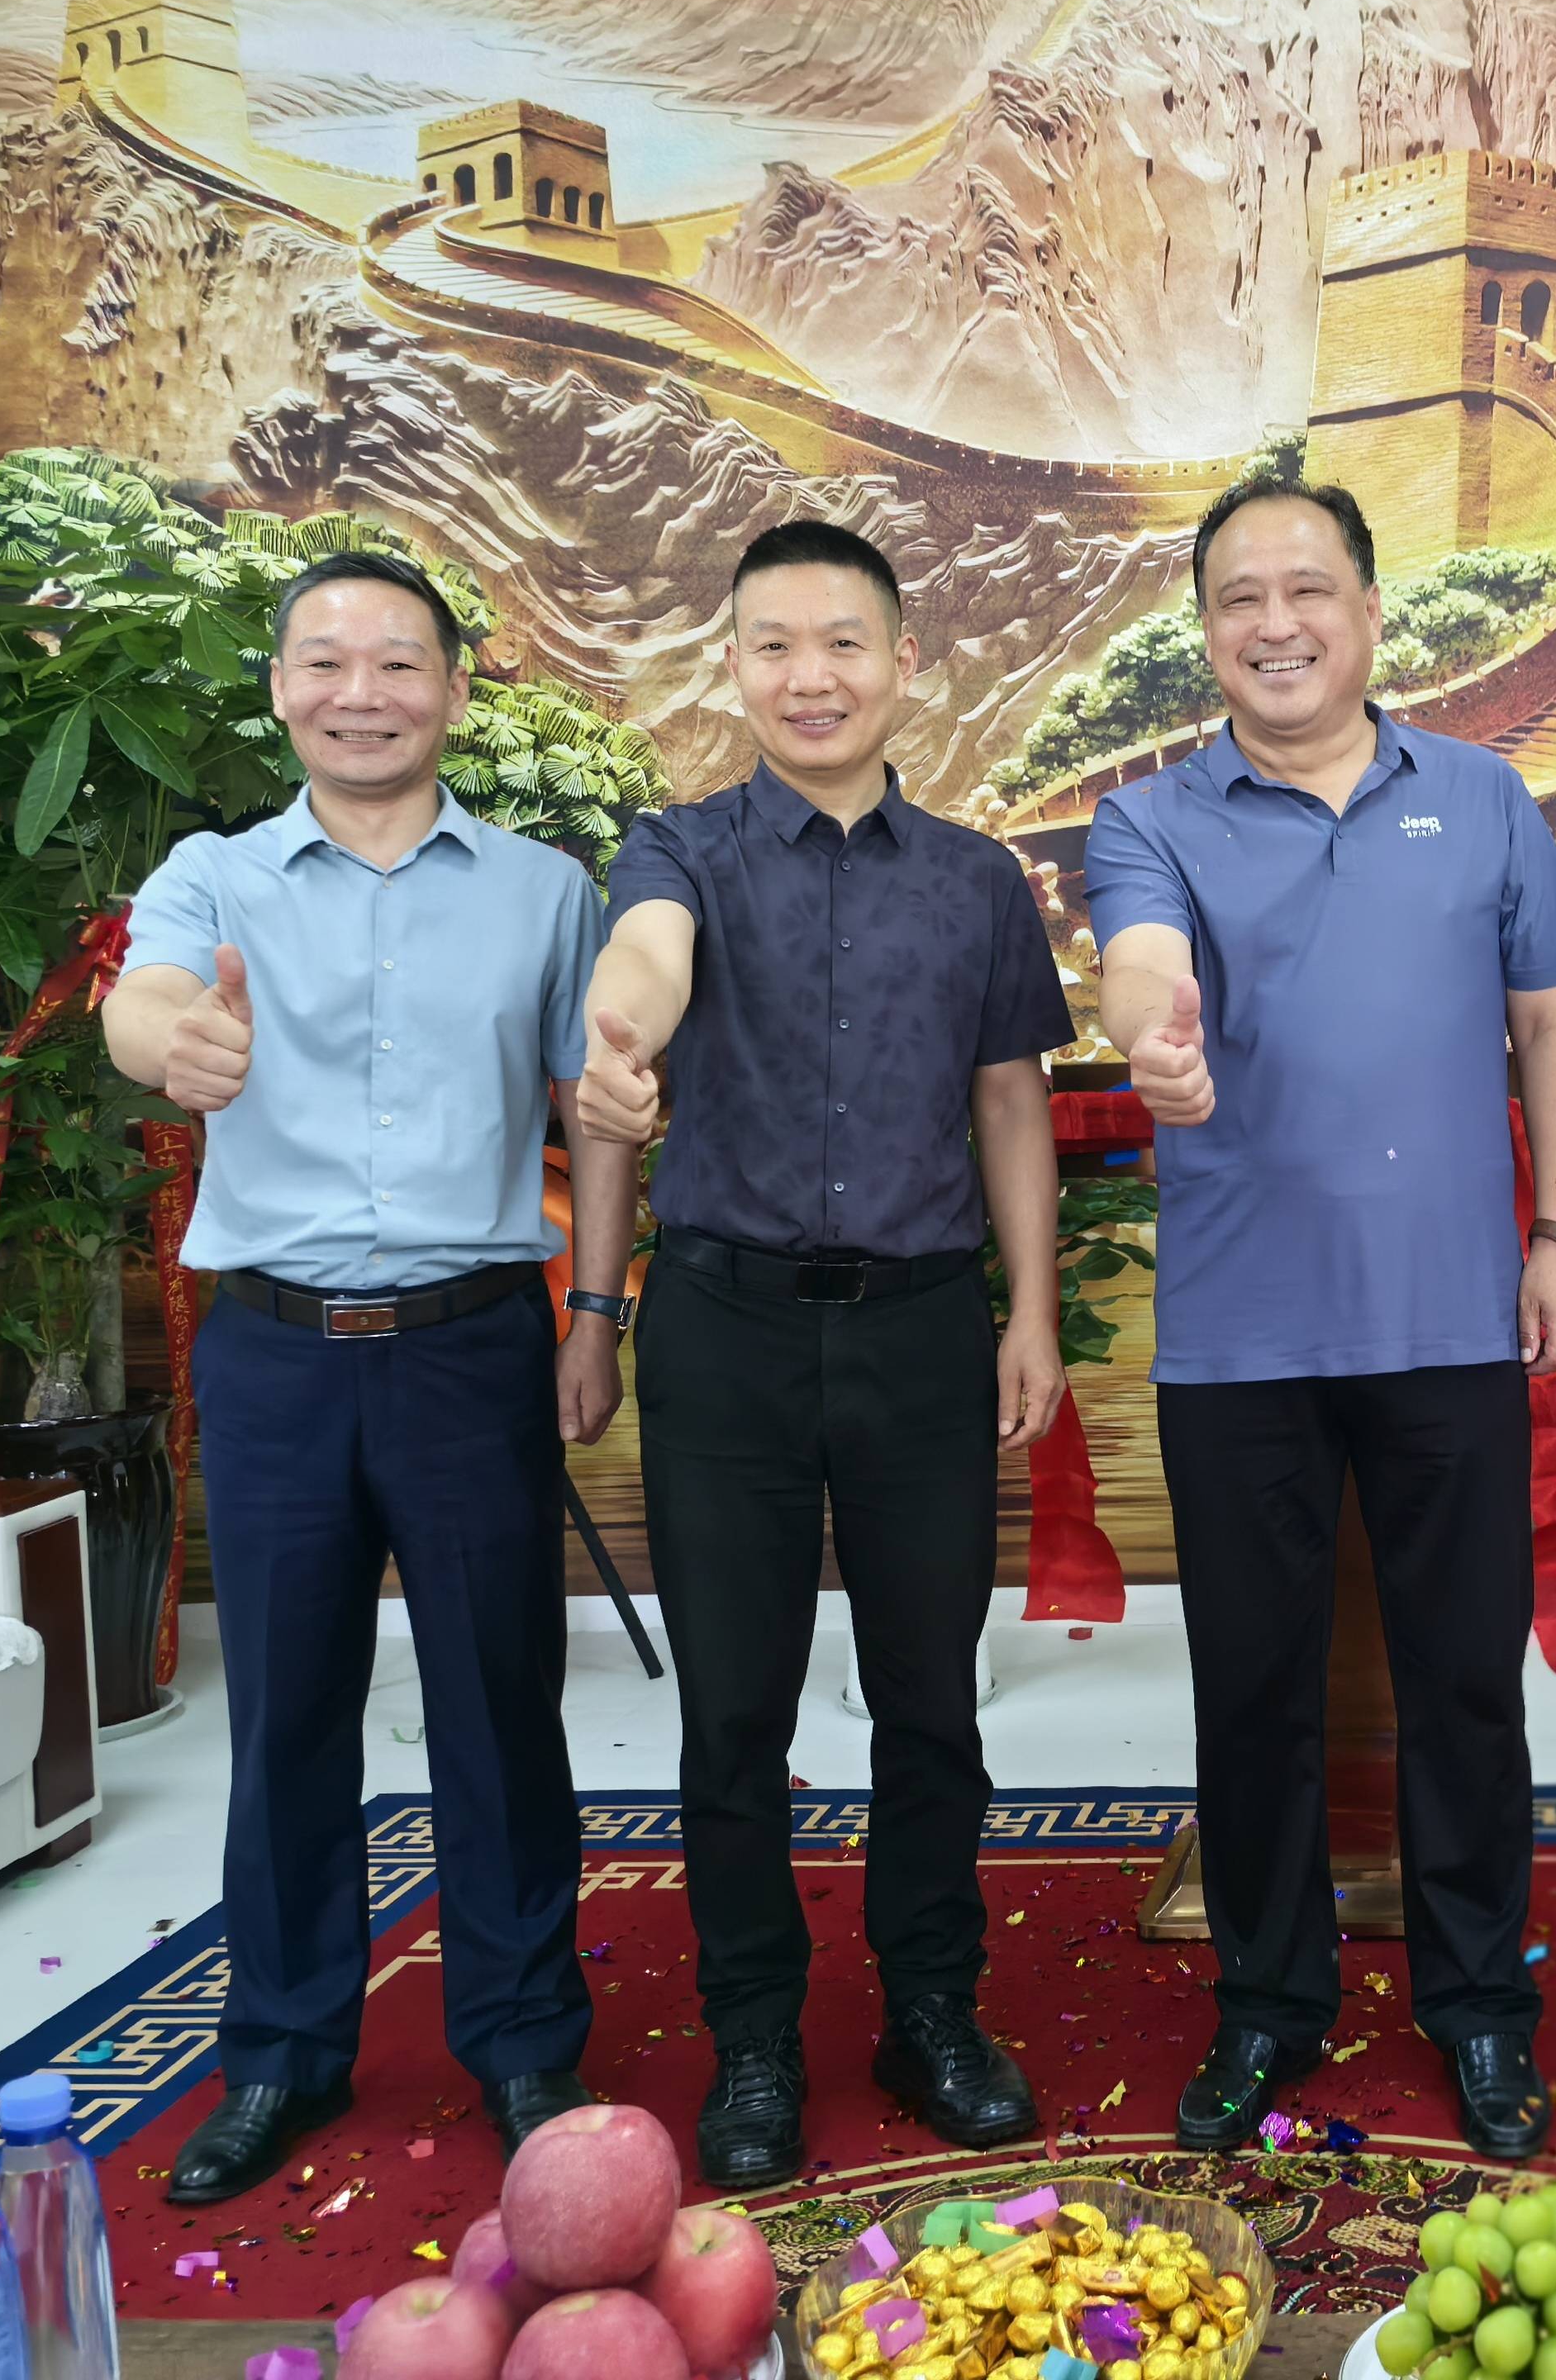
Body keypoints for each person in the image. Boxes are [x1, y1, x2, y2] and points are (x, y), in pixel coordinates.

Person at [1085, 474, 1556, 2160]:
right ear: (1204, 630)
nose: (1276, 623)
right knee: (1252, 1692)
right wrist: (1155, 1035)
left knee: (1466, 1687)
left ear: (1370, 613)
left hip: (1451, 1320)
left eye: (1307, 589)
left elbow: (1551, 1027)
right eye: (1238, 597)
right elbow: (1140, 960)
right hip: (1240, 1338)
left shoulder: (1483, 797)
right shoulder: (1148, 818)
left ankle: (1480, 2007)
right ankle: (1267, 2001)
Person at [103, 550, 630, 2201]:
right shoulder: (212, 875)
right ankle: (282, 2052)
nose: (361, 693)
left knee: (499, 1708)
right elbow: (144, 1004)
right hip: (272, 1353)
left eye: (399, 663)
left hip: (473, 1347)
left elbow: (598, 1109)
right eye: (325, 662)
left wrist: (596, 1314)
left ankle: (525, 2041)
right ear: (280, 690)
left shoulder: (545, 891)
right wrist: (174, 1043)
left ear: (455, 691)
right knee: (283, 1715)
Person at [577, 520, 1071, 2187]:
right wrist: (624, 1035)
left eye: (843, 642)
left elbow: (1010, 1100)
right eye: (774, 645)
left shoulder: (976, 880)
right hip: (723, 1334)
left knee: (930, 1702)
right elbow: (646, 959)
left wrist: (1029, 1309)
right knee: (733, 1713)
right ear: (732, 667)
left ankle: (932, 2011)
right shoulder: (678, 849)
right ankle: (756, 2042)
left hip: (924, 1332)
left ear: (902, 662)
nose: (811, 676)